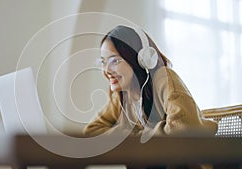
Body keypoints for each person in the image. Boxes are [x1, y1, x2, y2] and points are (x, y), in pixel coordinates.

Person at [83, 25, 217, 139]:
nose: (106, 70)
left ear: (139, 59)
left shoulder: (163, 78)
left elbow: (186, 127)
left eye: (114, 61)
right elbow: (90, 132)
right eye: (103, 62)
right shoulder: (122, 95)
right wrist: (130, 135)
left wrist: (137, 138)